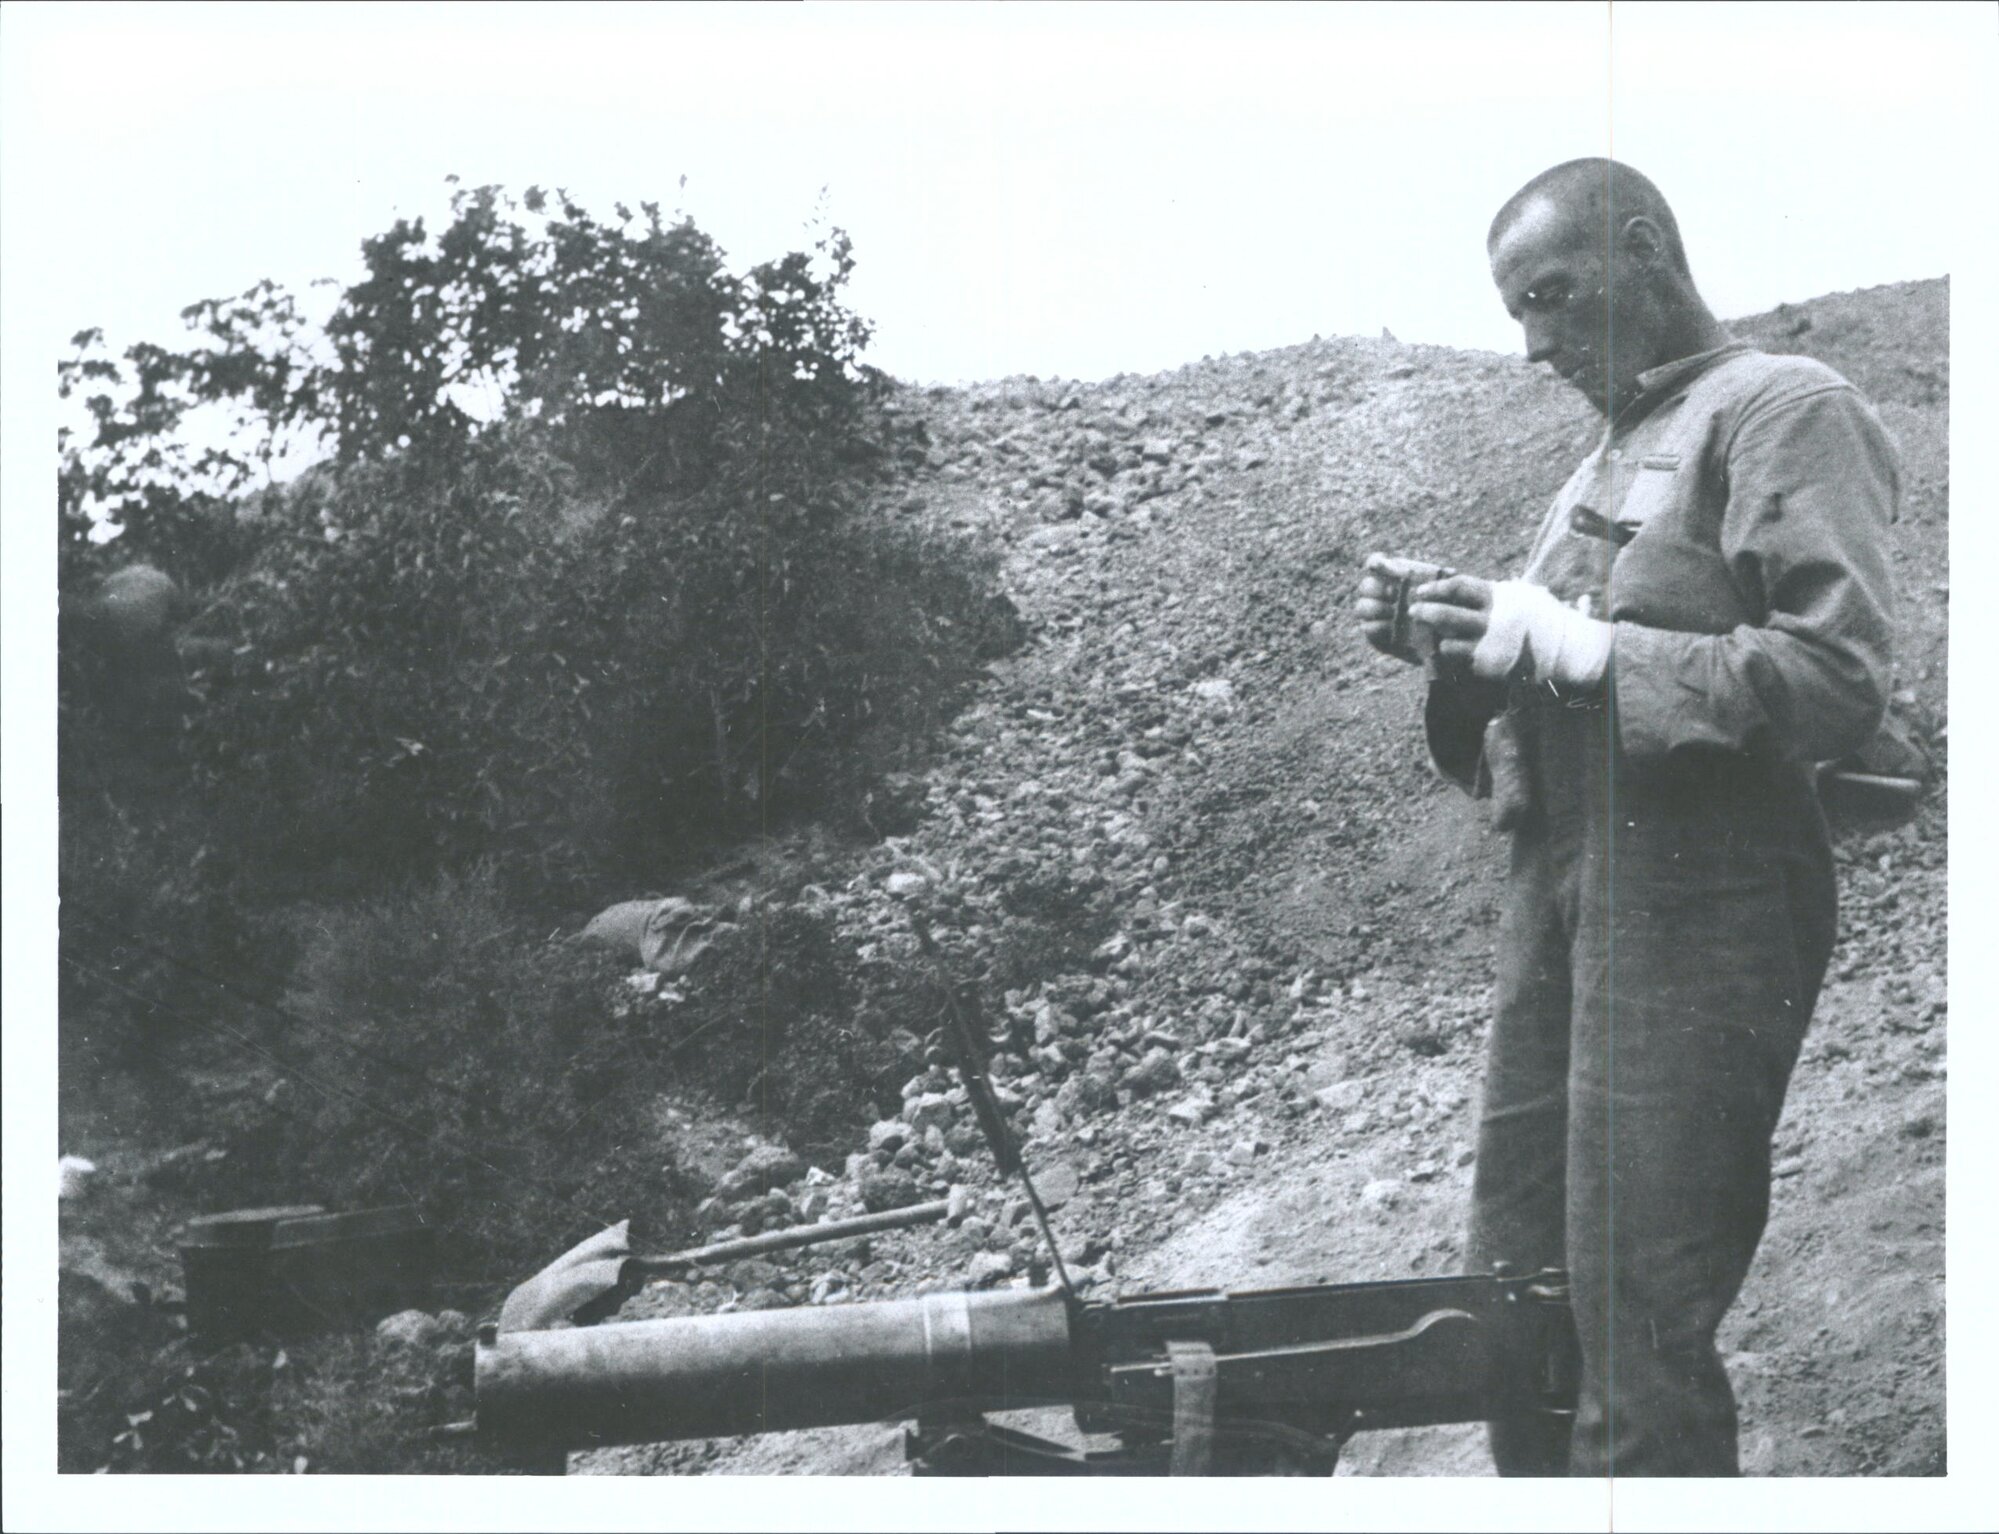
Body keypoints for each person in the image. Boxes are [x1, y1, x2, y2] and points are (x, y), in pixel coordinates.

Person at [1353, 159, 1899, 1476]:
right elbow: (1534, 724)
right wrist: (1458, 641)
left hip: (1704, 911)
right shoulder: (1601, 458)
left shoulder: (1786, 409)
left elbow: (1836, 681)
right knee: (1518, 1298)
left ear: (1645, 247)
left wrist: (1585, 649)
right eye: (1517, 315)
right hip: (1565, 904)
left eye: (1554, 295)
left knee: (1635, 1321)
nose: (1537, 344)